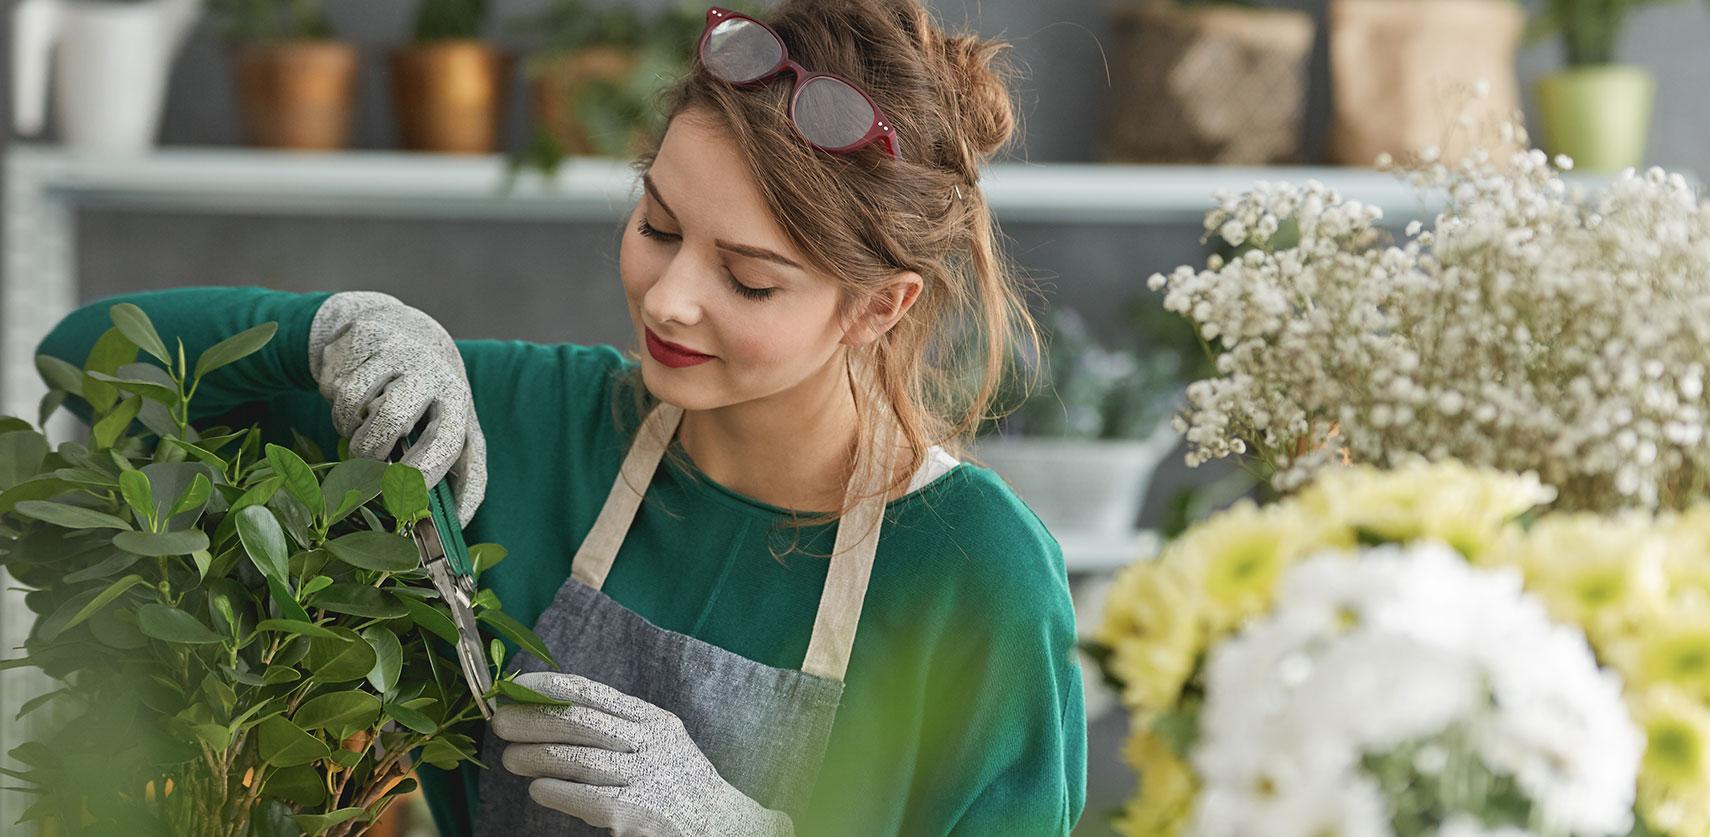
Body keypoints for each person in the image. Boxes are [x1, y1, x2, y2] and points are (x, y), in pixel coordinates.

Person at [34, 0, 1086, 834]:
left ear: (877, 306)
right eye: (657, 224)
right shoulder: (528, 422)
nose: (671, 297)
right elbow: (85, 360)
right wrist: (323, 330)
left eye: (750, 280)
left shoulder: (977, 574)